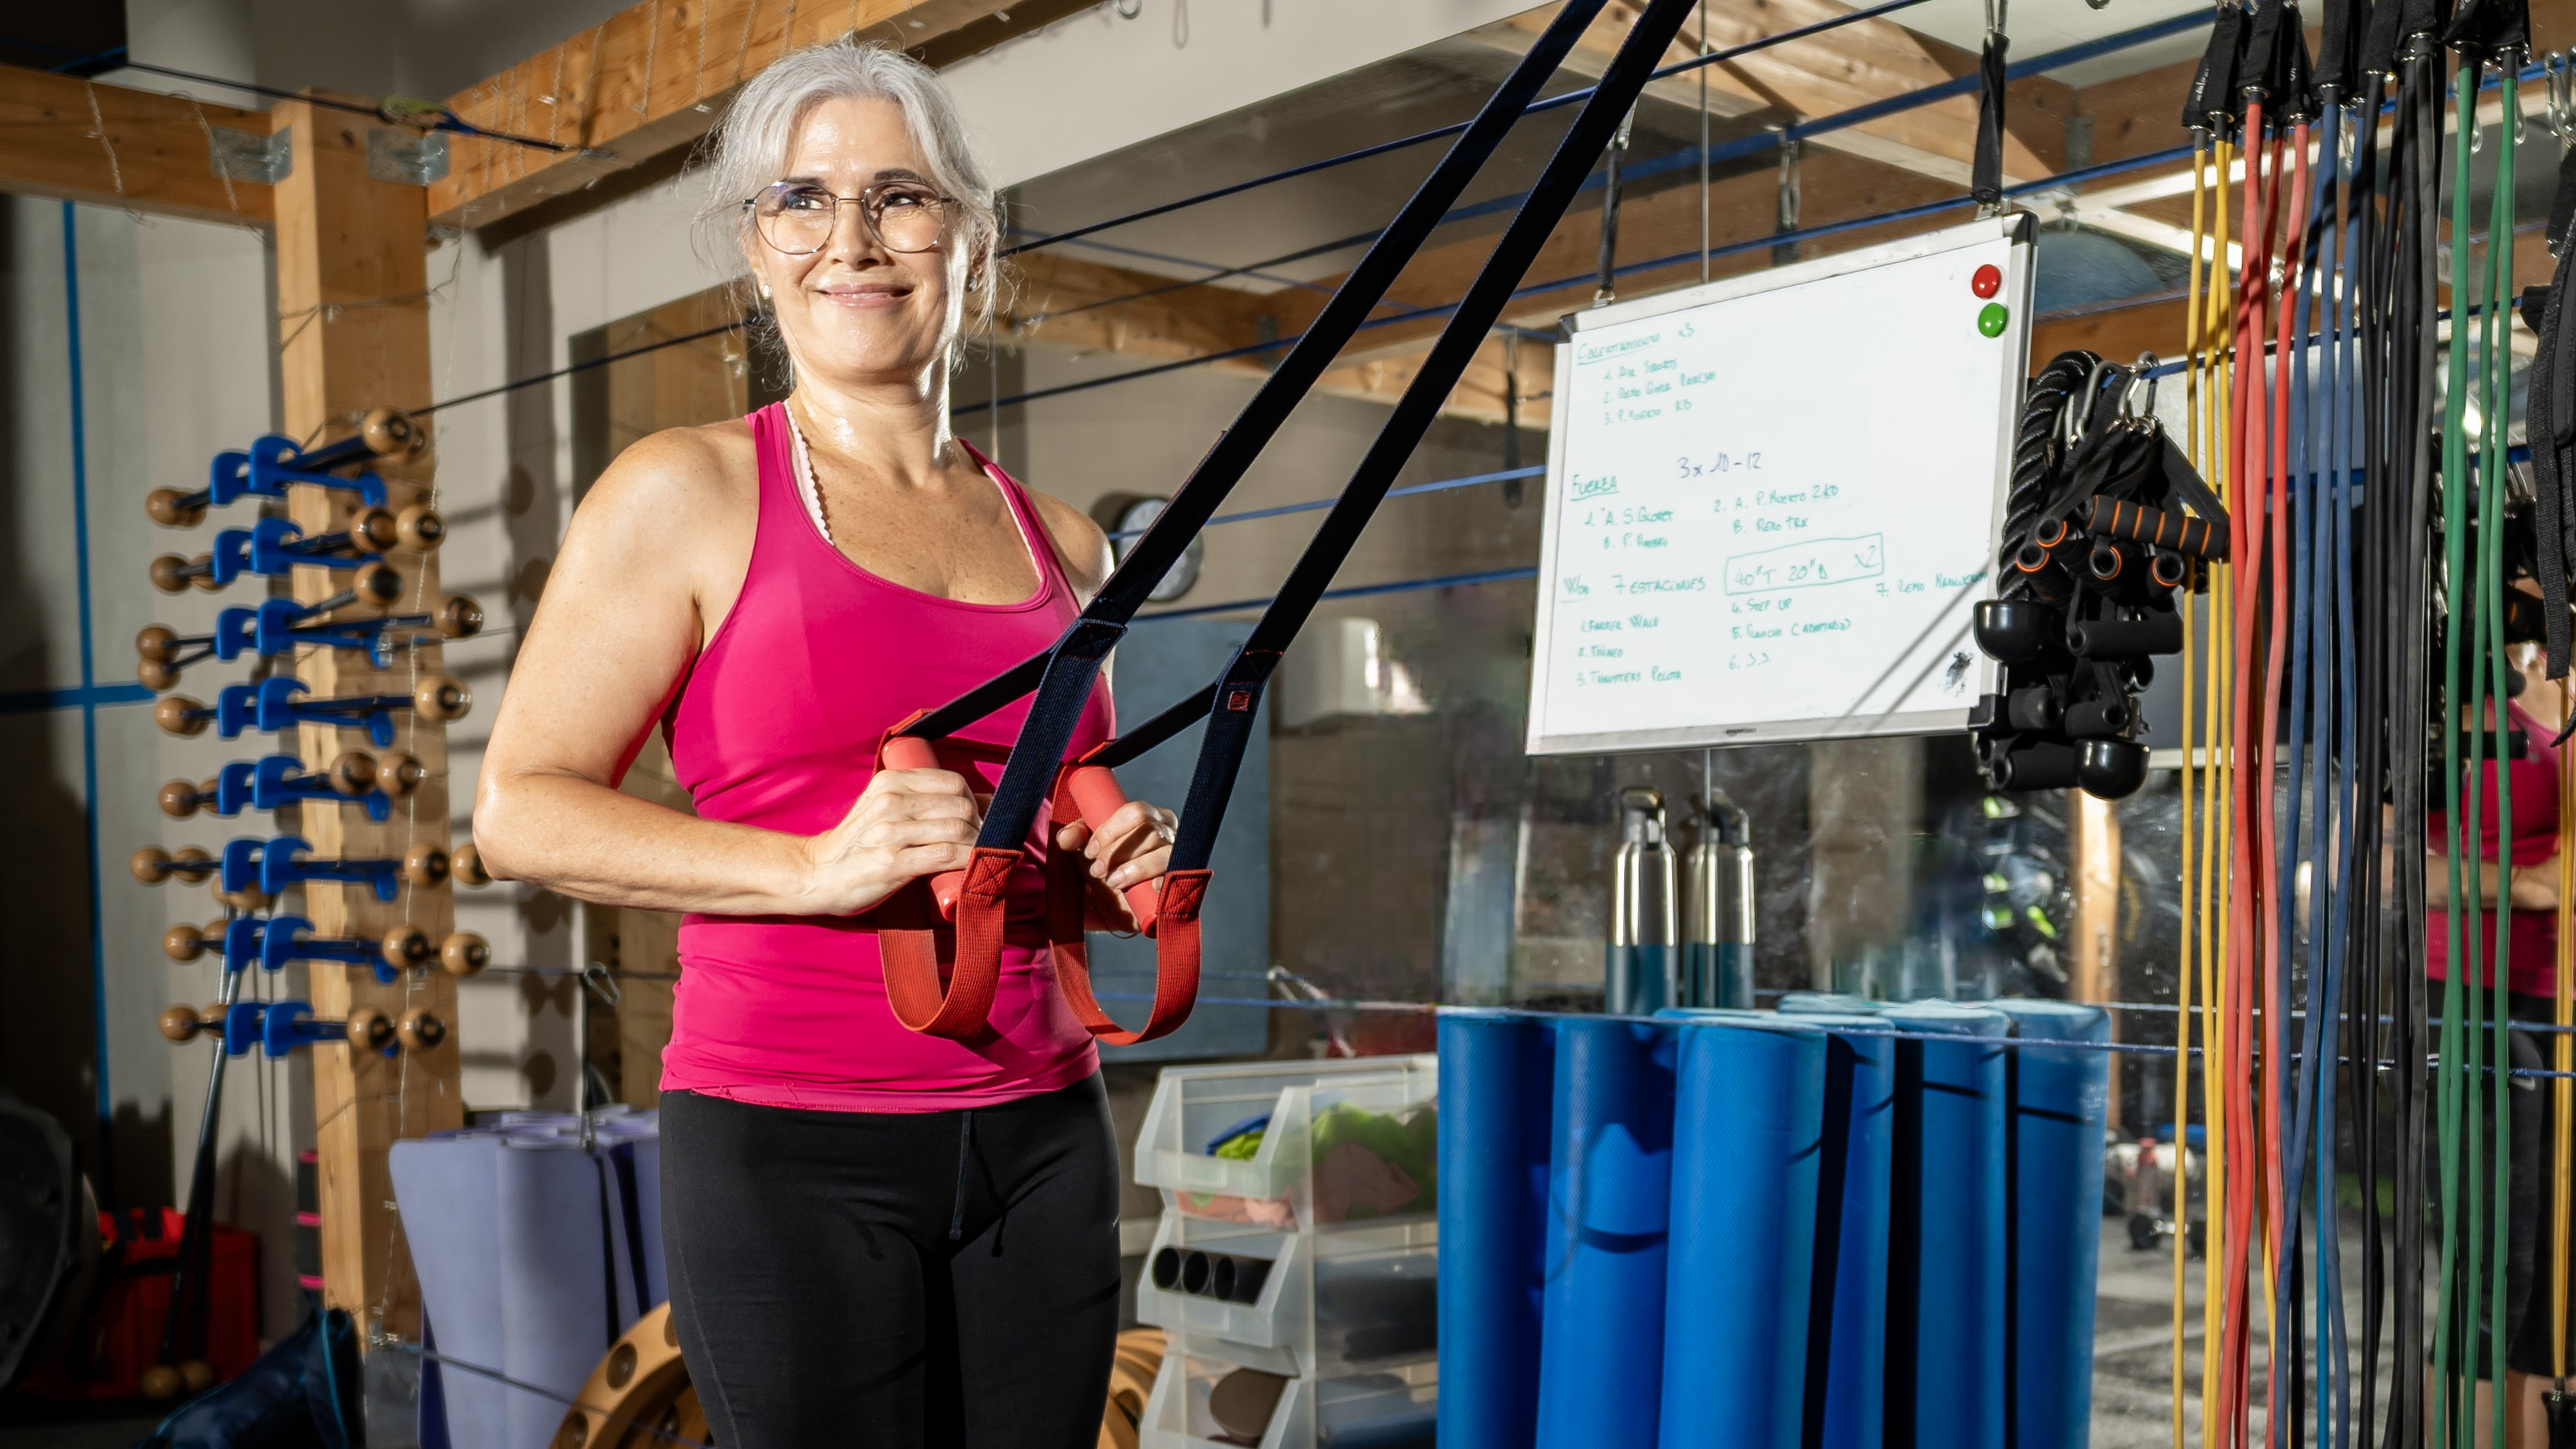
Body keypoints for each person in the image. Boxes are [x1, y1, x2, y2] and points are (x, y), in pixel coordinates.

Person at [472, 41, 1175, 1449]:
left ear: (966, 237)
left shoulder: (1067, 542)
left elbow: (1007, 843)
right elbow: (521, 813)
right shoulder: (685, 491)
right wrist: (810, 868)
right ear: (756, 247)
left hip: (1045, 1132)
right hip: (792, 1139)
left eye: (897, 196)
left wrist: (1095, 869)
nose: (850, 240)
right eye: (801, 201)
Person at [2423, 568, 2571, 1447]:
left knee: (2557, 1264)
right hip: (2478, 1002)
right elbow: (2387, 869)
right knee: (2495, 1261)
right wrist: (2522, 889)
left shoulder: (2547, 703)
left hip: (2561, 1004)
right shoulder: (2430, 722)